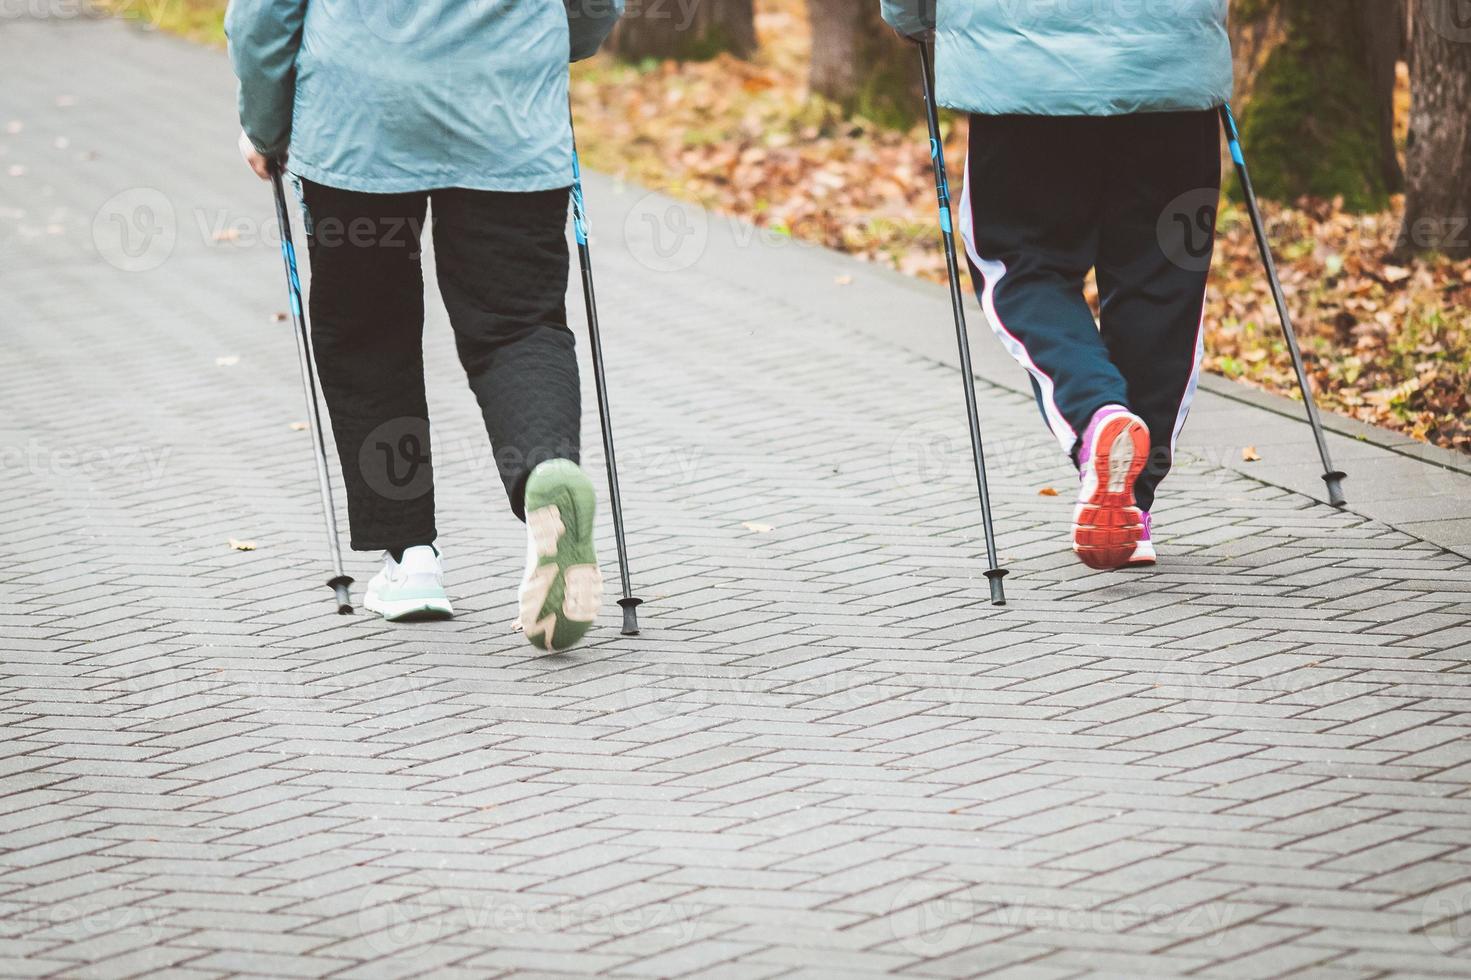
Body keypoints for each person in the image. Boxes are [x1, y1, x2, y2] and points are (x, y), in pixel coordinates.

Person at [227, 0, 623, 650]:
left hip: (360, 121)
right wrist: (557, 46)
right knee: (518, 323)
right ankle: (547, 472)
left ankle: (410, 560)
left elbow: (262, 17)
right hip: (509, 115)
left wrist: (265, 126)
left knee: (365, 335)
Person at [881, 0, 1233, 570]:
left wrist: (911, 15)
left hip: (1025, 70)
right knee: (1161, 278)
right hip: (1171, 65)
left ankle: (1097, 415)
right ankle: (1134, 507)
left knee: (1019, 261)